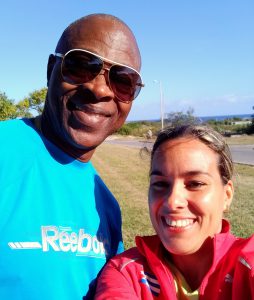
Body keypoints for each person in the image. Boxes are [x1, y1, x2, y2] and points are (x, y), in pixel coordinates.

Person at [0, 14, 144, 299]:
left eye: (123, 81)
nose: (100, 89)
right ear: (52, 68)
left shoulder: (107, 207)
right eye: (81, 66)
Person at [95, 124, 254, 299]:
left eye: (195, 183)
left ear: (227, 195)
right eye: (160, 184)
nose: (172, 201)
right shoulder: (126, 273)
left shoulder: (248, 264)